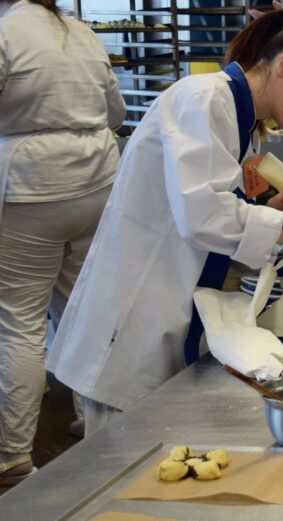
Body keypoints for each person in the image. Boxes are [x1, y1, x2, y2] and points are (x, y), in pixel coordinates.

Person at [45, 10, 283, 435]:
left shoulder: (244, 123)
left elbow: (218, 214)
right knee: (122, 458)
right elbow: (204, 216)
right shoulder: (203, 98)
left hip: (170, 311)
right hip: (132, 323)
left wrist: (281, 214)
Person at [0, 0, 125, 485]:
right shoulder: (83, 34)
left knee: (19, 322)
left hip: (33, 189)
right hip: (96, 182)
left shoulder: (7, 34)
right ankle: (93, 421)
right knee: (81, 310)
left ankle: (12, 457)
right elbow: (115, 111)